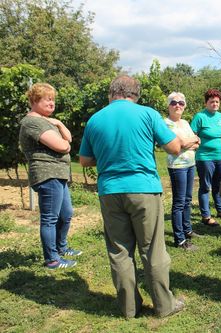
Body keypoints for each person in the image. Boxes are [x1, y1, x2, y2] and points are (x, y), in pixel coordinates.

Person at [79, 75, 184, 319]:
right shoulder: (147, 114)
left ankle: (128, 308)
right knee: (153, 250)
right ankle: (164, 305)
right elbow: (174, 147)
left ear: (111, 92)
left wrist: (107, 156)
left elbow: (84, 160)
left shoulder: (95, 119)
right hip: (144, 189)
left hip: (110, 191)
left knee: (120, 251)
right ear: (135, 94)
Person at [19, 83, 81, 269]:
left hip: (58, 174)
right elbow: (63, 146)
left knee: (66, 213)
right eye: (47, 99)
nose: (52, 103)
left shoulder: (47, 121)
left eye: (53, 99)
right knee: (50, 218)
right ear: (34, 100)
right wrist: (66, 146)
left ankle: (61, 248)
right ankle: (52, 259)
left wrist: (60, 123)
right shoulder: (32, 122)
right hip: (47, 174)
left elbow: (68, 138)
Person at [164, 92, 201, 250]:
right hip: (177, 167)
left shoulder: (185, 123)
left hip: (190, 164)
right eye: (173, 103)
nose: (177, 105)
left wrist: (188, 142)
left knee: (187, 200)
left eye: (181, 103)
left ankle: (188, 230)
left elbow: (196, 142)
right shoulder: (165, 124)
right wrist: (187, 142)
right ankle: (179, 239)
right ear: (169, 106)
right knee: (179, 203)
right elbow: (177, 145)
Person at [190, 89, 221, 226]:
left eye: (217, 101)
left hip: (220, 156)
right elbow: (192, 134)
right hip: (204, 157)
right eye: (212, 101)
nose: (215, 104)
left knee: (219, 185)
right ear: (206, 102)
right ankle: (206, 216)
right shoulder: (199, 117)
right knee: (205, 186)